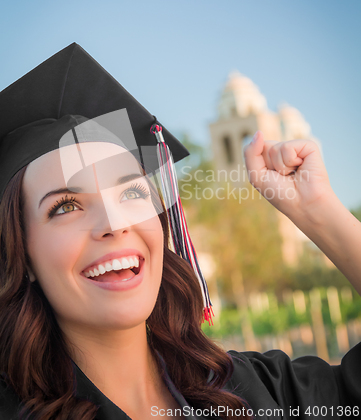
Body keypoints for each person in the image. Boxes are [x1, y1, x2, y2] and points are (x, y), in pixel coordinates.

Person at [0, 43, 359, 420]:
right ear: (22, 255)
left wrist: (318, 212)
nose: (115, 223)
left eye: (131, 191)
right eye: (66, 206)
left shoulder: (253, 389)